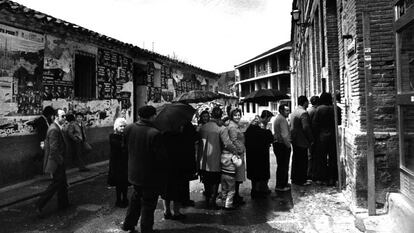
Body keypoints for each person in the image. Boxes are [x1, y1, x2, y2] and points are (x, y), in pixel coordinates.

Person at [121, 105, 167, 233]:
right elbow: (161, 158)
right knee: (148, 204)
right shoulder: (155, 133)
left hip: (134, 173)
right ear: (152, 116)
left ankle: (128, 224)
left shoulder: (129, 128)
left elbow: (124, 148)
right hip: (150, 177)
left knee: (135, 199)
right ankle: (146, 229)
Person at [197, 107, 236, 209]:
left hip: (203, 159)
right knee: (215, 180)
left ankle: (207, 199)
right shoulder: (221, 128)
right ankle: (212, 201)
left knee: (206, 179)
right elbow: (227, 144)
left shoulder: (204, 127)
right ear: (221, 115)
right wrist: (236, 150)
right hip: (215, 158)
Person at [162, 121, 198, 220]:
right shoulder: (180, 137)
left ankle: (166, 212)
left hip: (166, 167)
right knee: (177, 190)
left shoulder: (162, 136)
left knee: (166, 190)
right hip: (178, 167)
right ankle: (176, 213)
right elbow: (185, 152)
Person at [36, 109, 69, 213]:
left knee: (62, 183)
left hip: (59, 160)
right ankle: (40, 204)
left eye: (65, 116)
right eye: (62, 116)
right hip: (57, 161)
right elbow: (54, 149)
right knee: (56, 183)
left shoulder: (58, 127)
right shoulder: (54, 129)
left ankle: (64, 204)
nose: (64, 118)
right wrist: (61, 161)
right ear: (55, 117)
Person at [245, 110, 274, 198]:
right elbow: (269, 137)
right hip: (261, 154)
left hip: (251, 154)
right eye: (269, 118)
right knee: (261, 172)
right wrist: (267, 131)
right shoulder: (262, 128)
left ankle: (255, 189)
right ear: (265, 117)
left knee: (254, 173)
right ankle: (260, 190)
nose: (269, 121)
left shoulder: (250, 127)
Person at [312, 92, 338, 186]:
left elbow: (315, 124)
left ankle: (322, 178)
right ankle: (332, 178)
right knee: (332, 158)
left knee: (321, 158)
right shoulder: (335, 109)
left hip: (321, 137)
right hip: (333, 136)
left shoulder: (319, 109)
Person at [290, 96, 314, 186]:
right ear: (305, 102)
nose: (308, 103)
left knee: (296, 159)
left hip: (294, 139)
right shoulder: (303, 113)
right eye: (307, 102)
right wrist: (311, 139)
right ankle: (301, 180)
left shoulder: (294, 111)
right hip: (301, 140)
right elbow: (306, 127)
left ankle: (295, 178)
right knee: (302, 160)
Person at [108, 117, 129, 208]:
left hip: (125, 163)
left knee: (125, 182)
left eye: (124, 126)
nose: (123, 128)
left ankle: (125, 198)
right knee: (118, 183)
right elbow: (121, 146)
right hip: (116, 163)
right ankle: (118, 200)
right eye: (121, 126)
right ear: (116, 127)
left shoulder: (126, 136)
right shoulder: (113, 136)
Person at [227, 108, 246, 205]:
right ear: (231, 116)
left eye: (239, 115)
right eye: (235, 115)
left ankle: (236, 195)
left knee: (237, 176)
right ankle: (235, 197)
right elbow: (233, 140)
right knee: (236, 176)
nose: (237, 117)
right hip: (237, 154)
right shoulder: (233, 127)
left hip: (239, 153)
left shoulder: (235, 125)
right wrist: (240, 150)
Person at [273, 104, 292, 191]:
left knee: (282, 165)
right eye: (286, 110)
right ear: (281, 111)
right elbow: (284, 135)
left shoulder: (279, 118)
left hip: (278, 144)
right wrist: (288, 145)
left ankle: (283, 183)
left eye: (288, 110)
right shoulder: (282, 119)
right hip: (282, 145)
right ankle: (280, 185)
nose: (288, 112)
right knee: (283, 165)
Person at [307, 96, 320, 181]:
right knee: (314, 156)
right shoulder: (315, 111)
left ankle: (309, 173)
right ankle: (312, 174)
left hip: (309, 136)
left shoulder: (308, 110)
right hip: (314, 136)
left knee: (310, 156)